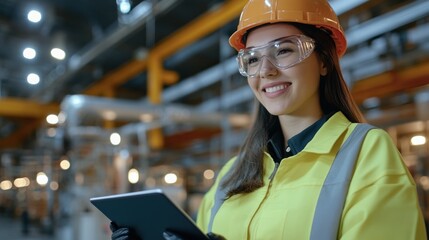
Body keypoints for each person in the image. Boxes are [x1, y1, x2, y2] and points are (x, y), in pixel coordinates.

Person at [111, 0, 427, 239]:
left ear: (324, 62)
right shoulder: (230, 176)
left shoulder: (367, 155)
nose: (265, 71)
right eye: (252, 59)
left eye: (284, 51)